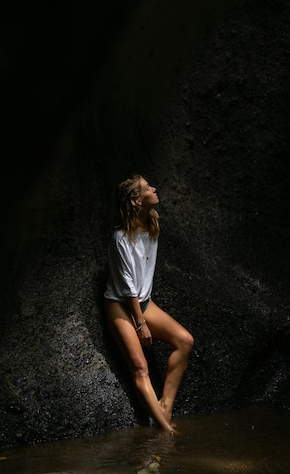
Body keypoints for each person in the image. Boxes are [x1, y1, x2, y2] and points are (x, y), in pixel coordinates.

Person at [104, 174, 194, 433]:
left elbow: (142, 284)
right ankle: (166, 430)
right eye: (147, 188)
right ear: (136, 200)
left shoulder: (153, 227)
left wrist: (144, 313)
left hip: (144, 302)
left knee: (185, 341)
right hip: (121, 305)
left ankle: (165, 407)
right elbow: (128, 285)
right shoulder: (120, 238)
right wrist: (140, 323)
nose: (154, 189)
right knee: (140, 367)